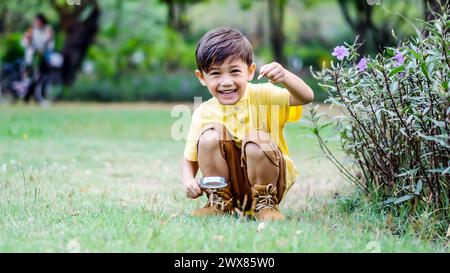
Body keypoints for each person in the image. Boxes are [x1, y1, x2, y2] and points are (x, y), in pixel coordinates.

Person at [181, 27, 314, 221]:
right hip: (229, 184)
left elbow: (306, 97)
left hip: (269, 180)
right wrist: (188, 180)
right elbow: (189, 156)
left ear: (250, 71)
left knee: (256, 138)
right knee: (209, 136)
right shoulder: (203, 112)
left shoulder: (263, 94)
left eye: (235, 71)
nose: (226, 82)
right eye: (216, 74)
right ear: (202, 77)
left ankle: (266, 206)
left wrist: (285, 76)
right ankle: (219, 202)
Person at [16, 13, 55, 99]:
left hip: (43, 57)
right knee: (29, 73)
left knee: (41, 74)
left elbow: (49, 41)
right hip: (31, 57)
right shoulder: (31, 30)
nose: (36, 23)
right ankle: (24, 87)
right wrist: (28, 39)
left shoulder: (47, 29)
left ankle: (39, 93)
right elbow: (24, 43)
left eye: (38, 21)